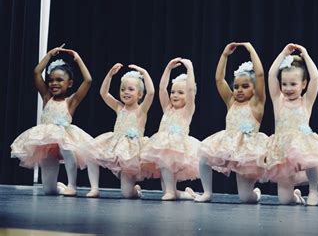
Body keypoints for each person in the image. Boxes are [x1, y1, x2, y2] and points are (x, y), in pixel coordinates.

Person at [11, 44, 93, 196]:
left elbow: (88, 80)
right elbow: (36, 73)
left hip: (64, 137)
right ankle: (59, 187)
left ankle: (71, 185)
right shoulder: (47, 97)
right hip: (47, 141)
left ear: (69, 83)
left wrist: (78, 59)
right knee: (49, 191)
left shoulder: (71, 101)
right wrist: (49, 55)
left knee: (66, 147)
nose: (54, 83)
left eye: (59, 80)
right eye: (51, 80)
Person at [265, 43, 318, 205]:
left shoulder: (306, 101)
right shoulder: (278, 100)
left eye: (293, 84)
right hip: (282, 148)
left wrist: (305, 55)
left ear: (303, 84)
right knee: (285, 200)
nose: (288, 88)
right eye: (284, 84)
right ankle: (295, 195)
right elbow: (271, 74)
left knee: (310, 156)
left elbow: (316, 78)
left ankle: (313, 190)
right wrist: (283, 53)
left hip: (302, 143)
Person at [195, 42, 268, 203]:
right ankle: (207, 192)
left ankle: (255, 193)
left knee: (246, 198)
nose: (239, 90)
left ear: (255, 89)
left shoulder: (257, 104)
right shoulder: (231, 101)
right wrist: (224, 55)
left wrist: (250, 50)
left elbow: (261, 75)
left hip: (247, 151)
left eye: (245, 86)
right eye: (236, 87)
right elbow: (218, 79)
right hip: (227, 144)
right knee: (204, 159)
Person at [85, 63, 154, 198]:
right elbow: (103, 93)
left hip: (131, 152)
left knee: (127, 194)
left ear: (140, 94)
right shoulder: (119, 107)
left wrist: (144, 72)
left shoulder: (141, 110)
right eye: (123, 89)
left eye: (130, 89)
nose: (125, 92)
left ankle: (136, 191)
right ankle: (94, 188)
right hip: (114, 145)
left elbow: (151, 92)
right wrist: (110, 75)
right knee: (91, 152)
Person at [141, 58, 200, 200]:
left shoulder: (188, 110)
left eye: (180, 92)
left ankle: (172, 193)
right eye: (173, 92)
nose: (175, 95)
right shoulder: (167, 108)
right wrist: (168, 69)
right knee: (169, 190)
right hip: (164, 145)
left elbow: (191, 89)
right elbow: (162, 89)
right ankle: (188, 195)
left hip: (178, 148)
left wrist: (190, 68)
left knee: (169, 189)